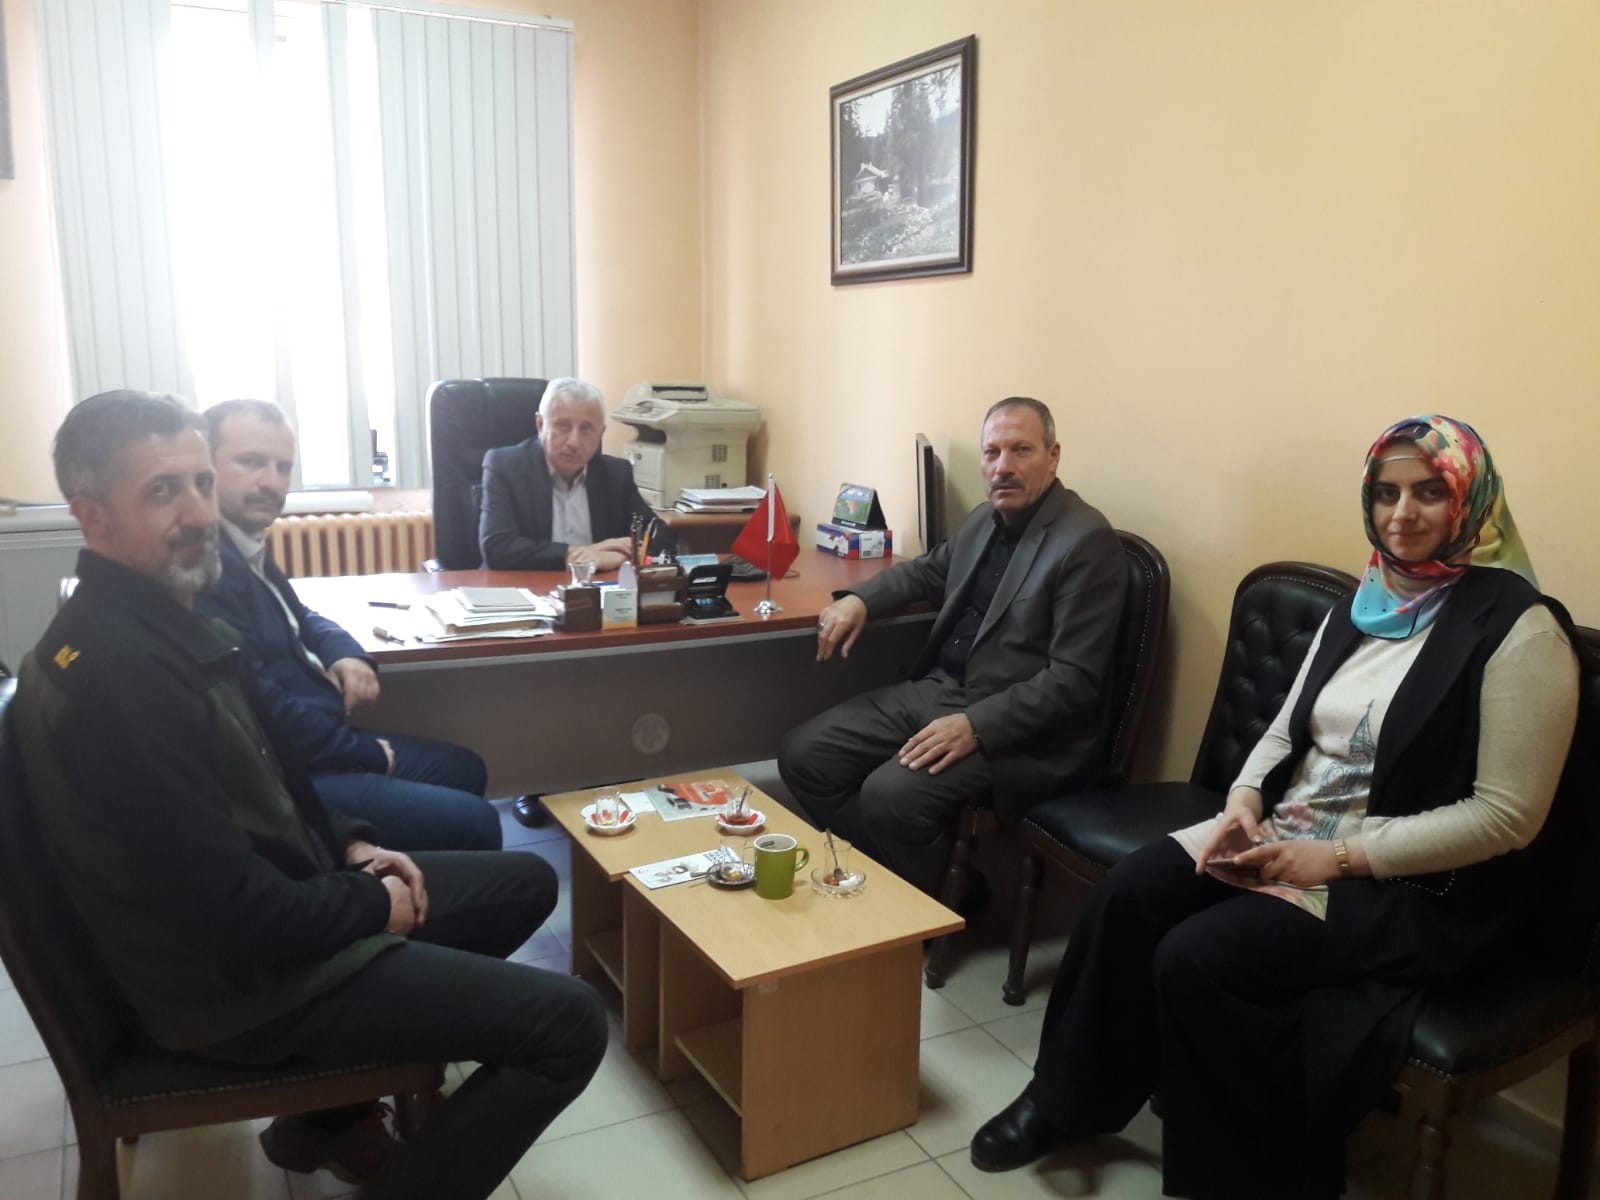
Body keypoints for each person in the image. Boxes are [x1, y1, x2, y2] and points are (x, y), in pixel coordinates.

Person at [11, 391, 606, 1199]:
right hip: (241, 991)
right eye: (162, 491)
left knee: (526, 881)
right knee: (571, 1025)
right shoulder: (122, 682)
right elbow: (235, 920)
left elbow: (275, 782)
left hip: (268, 921)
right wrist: (369, 904)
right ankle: (362, 1097)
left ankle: (329, 1115)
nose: (197, 513)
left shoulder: (160, 624)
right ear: (92, 515)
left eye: (200, 483)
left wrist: (353, 842)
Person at [970, 414, 1581, 1199]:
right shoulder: (1367, 599)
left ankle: (1241, 1176)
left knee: (1199, 957)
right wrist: (1244, 801)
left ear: (1472, 499)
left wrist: (1342, 856)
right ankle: (1063, 1102)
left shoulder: (1520, 631)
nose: (1403, 513)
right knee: (1130, 896)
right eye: (1387, 493)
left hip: (1411, 886)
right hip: (1294, 831)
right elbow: (1286, 729)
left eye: (1430, 492)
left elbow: (1507, 817)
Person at [778, 397, 1127, 894]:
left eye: (1021, 450)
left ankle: (938, 904)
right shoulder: (985, 519)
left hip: (1017, 728)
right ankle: (933, 884)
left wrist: (976, 726)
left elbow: (1073, 680)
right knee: (804, 756)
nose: (1003, 467)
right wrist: (860, 599)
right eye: (992, 452)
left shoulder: (1085, 541)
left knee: (889, 797)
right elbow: (926, 571)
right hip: (941, 690)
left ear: (1053, 457)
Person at [195, 399, 501, 852]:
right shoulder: (208, 567)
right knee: (477, 823)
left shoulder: (243, 543)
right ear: (205, 465)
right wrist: (364, 754)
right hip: (285, 770)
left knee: (465, 769)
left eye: (283, 467)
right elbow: (263, 709)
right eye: (252, 462)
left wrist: (345, 651)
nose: (271, 482)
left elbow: (300, 615)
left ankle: (405, 869)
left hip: (316, 740)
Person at [479, 376, 655, 571]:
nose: (574, 442)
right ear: (540, 425)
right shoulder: (505, 467)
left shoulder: (616, 474)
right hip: (524, 586)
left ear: (600, 434)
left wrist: (622, 557)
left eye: (586, 429)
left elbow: (658, 536)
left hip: (595, 586)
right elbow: (497, 548)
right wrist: (578, 554)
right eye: (563, 426)